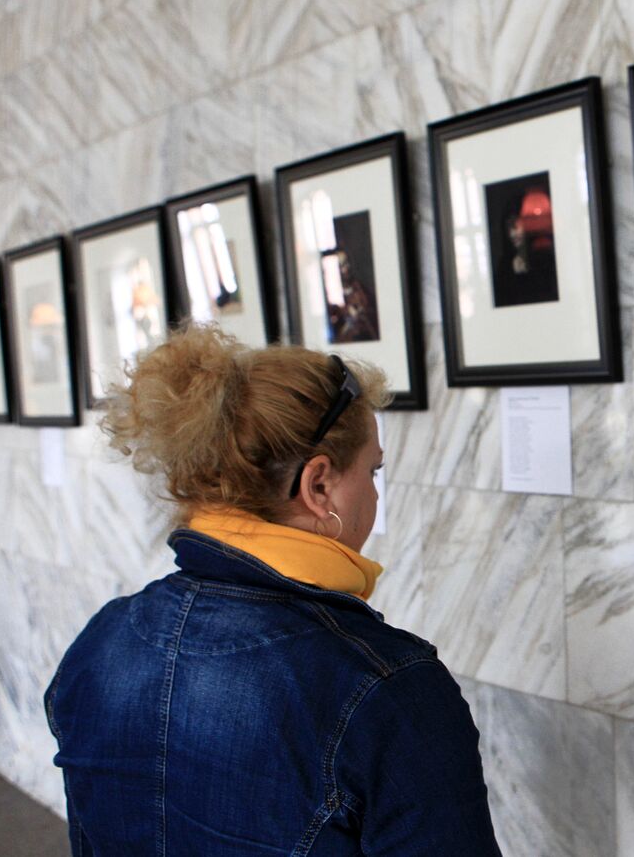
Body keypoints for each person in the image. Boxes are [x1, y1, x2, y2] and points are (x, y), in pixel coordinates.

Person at [44, 324, 502, 855]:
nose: (374, 495)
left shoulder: (105, 639)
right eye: (372, 472)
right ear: (319, 485)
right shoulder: (387, 687)